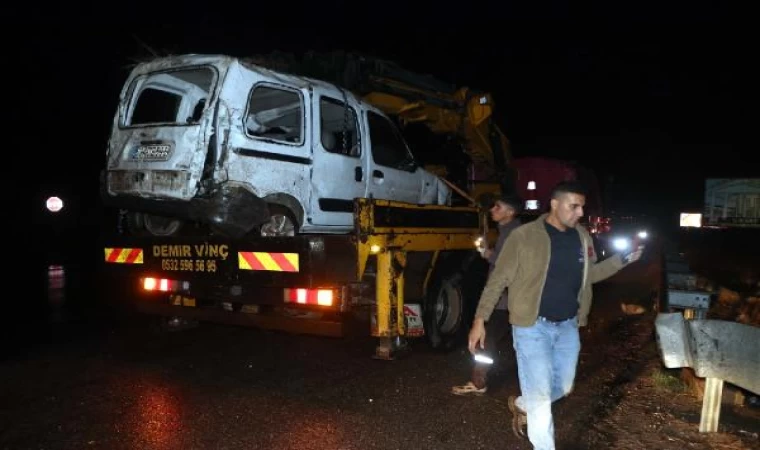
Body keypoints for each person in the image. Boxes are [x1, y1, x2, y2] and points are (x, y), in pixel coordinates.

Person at [467, 180, 642, 450]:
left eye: (582, 207)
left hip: (568, 326)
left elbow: (590, 275)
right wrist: (480, 320)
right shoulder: (524, 236)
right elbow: (497, 280)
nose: (580, 213)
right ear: (555, 204)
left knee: (563, 386)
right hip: (531, 327)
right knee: (540, 398)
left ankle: (522, 404)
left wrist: (624, 259)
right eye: (574, 206)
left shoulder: (582, 236)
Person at [451, 193, 523, 396]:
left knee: (486, 339)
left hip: (505, 299)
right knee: (497, 339)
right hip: (508, 298)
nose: (492, 210)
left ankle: (479, 382)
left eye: (498, 207)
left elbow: (507, 265)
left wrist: (488, 254)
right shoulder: (508, 231)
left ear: (510, 212)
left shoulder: (513, 233)